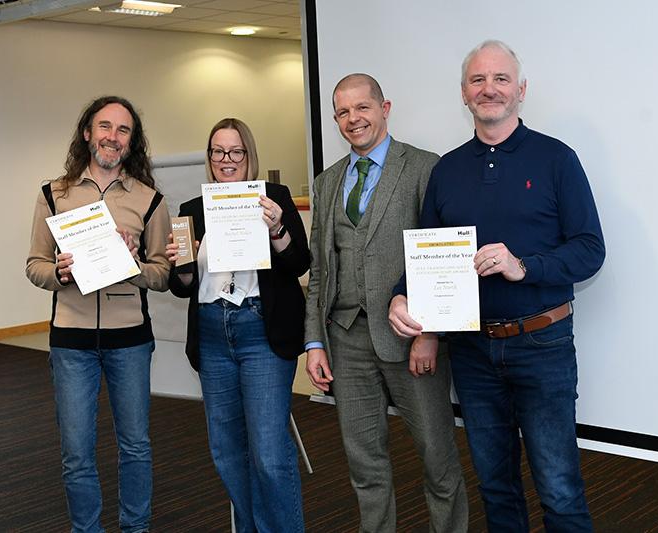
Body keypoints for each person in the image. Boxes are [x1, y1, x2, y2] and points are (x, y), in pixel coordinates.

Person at [389, 40, 605, 532]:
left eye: (501, 79)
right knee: (495, 486)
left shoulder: (557, 159)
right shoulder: (447, 169)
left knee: (559, 487)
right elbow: (426, 255)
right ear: (464, 93)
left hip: (541, 344)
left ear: (521, 90)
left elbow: (591, 249)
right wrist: (403, 296)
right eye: (478, 80)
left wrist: (523, 266)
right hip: (471, 350)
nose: (490, 89)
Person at [304, 73, 468, 533]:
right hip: (345, 340)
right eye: (343, 112)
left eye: (363, 107)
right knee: (365, 466)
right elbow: (320, 270)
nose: (353, 119)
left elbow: (441, 260)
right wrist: (315, 342)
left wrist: (430, 334)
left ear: (385, 107)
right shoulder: (327, 182)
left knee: (438, 459)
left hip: (410, 340)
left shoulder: (423, 167)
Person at [26, 95, 171, 533]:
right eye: (104, 127)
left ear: (132, 141)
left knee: (136, 447)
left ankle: (136, 528)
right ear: (87, 134)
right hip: (71, 342)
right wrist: (61, 273)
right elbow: (34, 266)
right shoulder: (54, 194)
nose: (113, 136)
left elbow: (163, 275)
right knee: (76, 453)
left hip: (129, 340)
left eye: (123, 130)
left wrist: (134, 264)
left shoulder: (150, 199)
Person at [167, 118, 309, 533]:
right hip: (213, 333)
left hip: (259, 330)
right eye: (217, 152)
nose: (226, 161)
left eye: (235, 152)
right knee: (226, 452)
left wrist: (277, 228)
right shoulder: (191, 211)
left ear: (249, 155)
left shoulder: (274, 198)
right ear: (209, 157)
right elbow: (183, 287)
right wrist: (184, 261)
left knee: (268, 454)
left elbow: (299, 263)